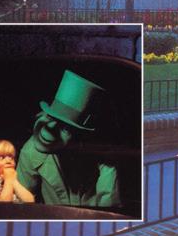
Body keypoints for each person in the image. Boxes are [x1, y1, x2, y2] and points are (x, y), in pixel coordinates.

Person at [16, 70, 121, 210]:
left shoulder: (99, 151)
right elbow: (22, 202)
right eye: (51, 117)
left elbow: (109, 203)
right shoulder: (31, 151)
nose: (51, 128)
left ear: (80, 134)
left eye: (65, 127)